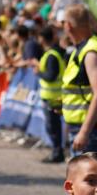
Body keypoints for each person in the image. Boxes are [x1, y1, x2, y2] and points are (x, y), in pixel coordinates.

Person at [61, 4, 97, 159]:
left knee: (88, 181)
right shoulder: (82, 49)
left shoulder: (91, 52)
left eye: (62, 23)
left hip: (92, 131)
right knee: (82, 180)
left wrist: (84, 132)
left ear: (69, 26)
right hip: (86, 128)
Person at [37, 25, 66, 163]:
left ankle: (57, 152)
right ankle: (57, 151)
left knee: (53, 127)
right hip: (53, 97)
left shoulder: (51, 56)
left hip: (53, 98)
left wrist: (38, 72)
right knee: (53, 127)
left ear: (42, 39)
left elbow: (50, 76)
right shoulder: (54, 53)